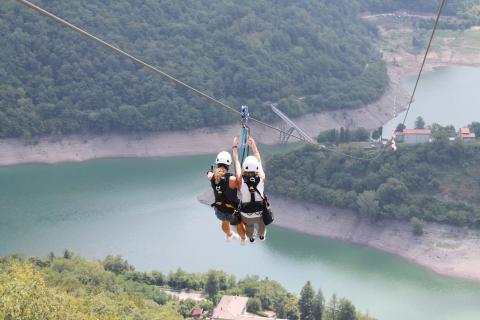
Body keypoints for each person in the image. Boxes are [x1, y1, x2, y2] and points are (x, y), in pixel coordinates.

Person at [208, 137, 246, 244]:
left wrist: (209, 172)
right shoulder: (232, 179)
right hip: (233, 212)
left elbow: (209, 174)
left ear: (217, 163)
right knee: (240, 224)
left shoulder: (212, 177)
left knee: (224, 221)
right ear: (228, 165)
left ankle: (229, 235)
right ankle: (243, 239)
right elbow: (240, 185)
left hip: (219, 211)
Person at [235, 137, 267, 243]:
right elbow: (258, 159)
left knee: (249, 225)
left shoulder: (240, 180)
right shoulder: (261, 177)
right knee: (262, 223)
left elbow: (236, 163)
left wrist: (235, 147)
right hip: (260, 212)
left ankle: (251, 237)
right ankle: (261, 235)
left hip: (246, 213)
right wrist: (254, 146)